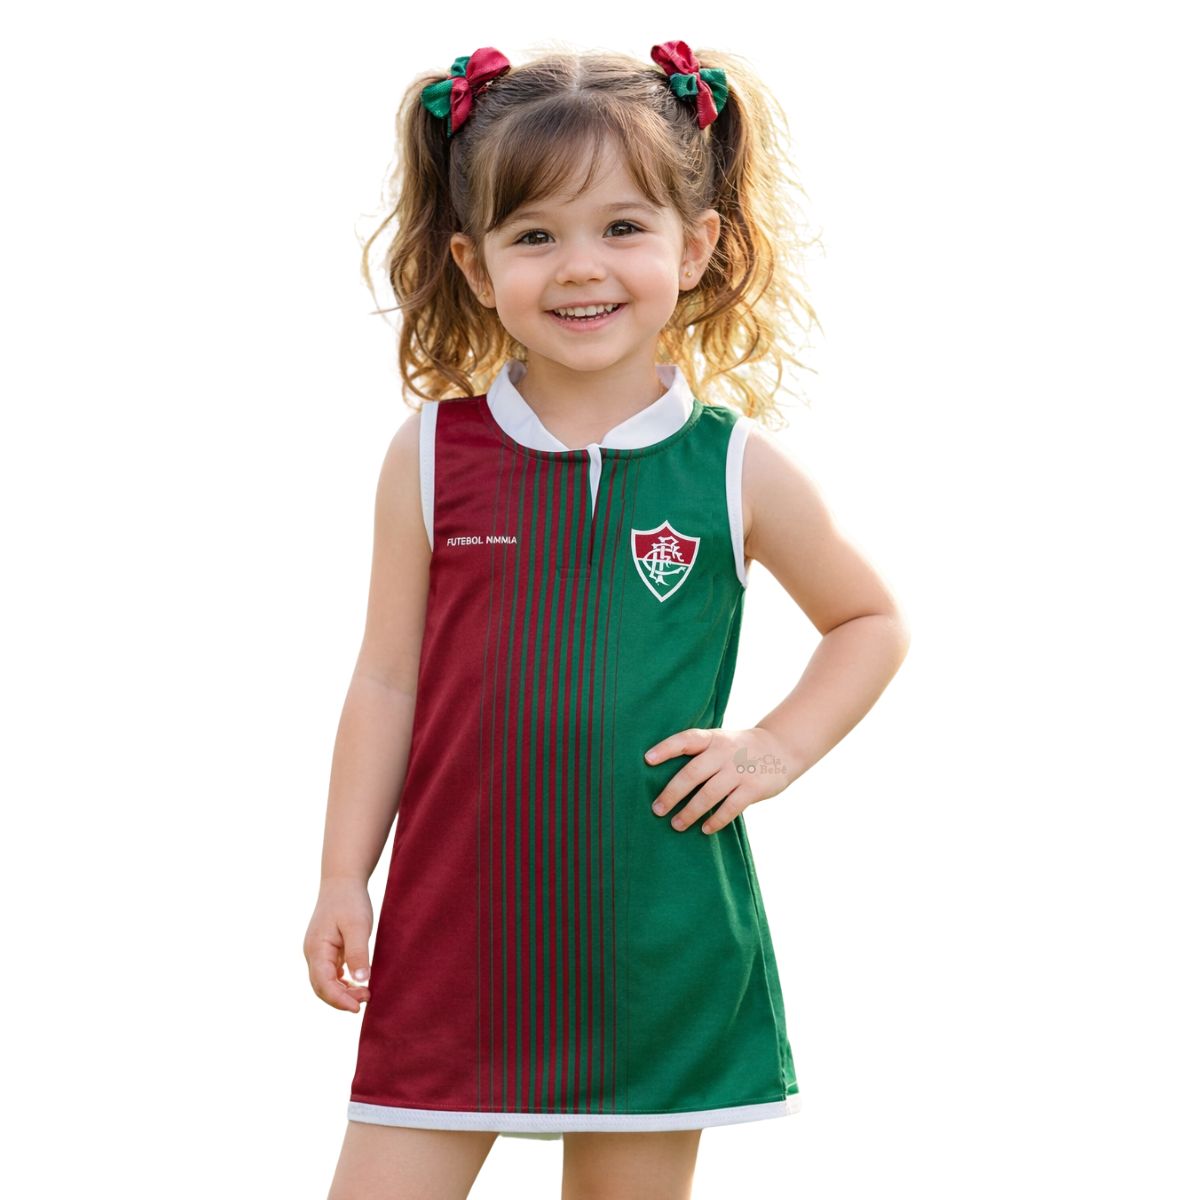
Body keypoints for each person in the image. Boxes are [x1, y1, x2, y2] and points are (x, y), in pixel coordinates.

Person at [304, 39, 911, 1200]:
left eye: (623, 226)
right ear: (475, 264)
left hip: (657, 943)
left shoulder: (733, 467)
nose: (580, 267)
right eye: (535, 235)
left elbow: (868, 619)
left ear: (696, 245)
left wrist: (774, 749)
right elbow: (386, 680)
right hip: (454, 934)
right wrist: (343, 874)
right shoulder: (429, 456)